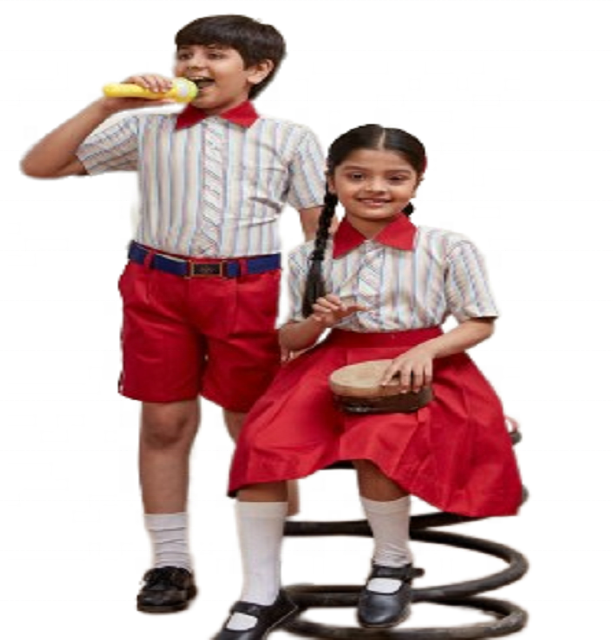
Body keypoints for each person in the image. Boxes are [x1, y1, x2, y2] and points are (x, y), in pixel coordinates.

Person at [20, 15, 326, 614]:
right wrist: (107, 105)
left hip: (247, 290)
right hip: (156, 288)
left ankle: (272, 553)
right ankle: (169, 560)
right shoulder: (146, 128)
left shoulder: (289, 137)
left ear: (257, 70)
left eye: (214, 54)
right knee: (163, 423)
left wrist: (311, 313)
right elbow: (41, 165)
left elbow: (319, 232)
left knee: (252, 422)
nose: (194, 65)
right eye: (185, 53)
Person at [212, 124, 523, 639]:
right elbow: (291, 337)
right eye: (356, 176)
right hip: (331, 363)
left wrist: (426, 349)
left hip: (427, 362)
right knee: (261, 441)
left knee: (377, 440)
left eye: (394, 178)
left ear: (417, 182)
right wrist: (319, 322)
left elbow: (479, 321)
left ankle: (391, 562)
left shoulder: (447, 246)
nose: (375, 188)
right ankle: (261, 593)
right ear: (331, 180)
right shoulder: (310, 255)